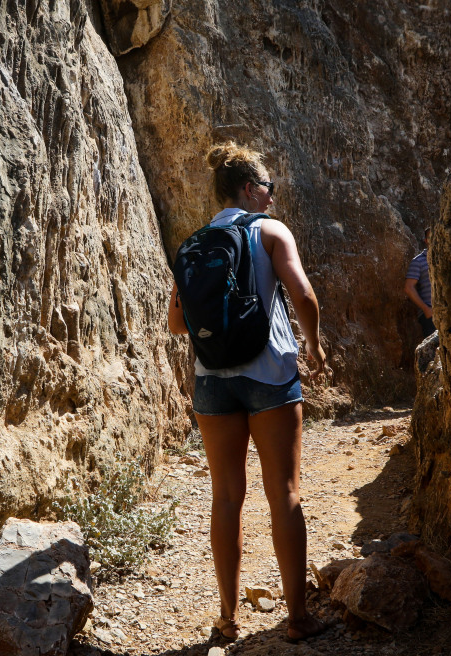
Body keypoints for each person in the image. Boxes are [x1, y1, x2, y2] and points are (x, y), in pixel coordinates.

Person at [166, 142, 330, 643]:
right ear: (247, 189)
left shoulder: (194, 243)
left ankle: (227, 619)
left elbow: (175, 323)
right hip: (270, 374)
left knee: (225, 497)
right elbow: (302, 293)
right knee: (283, 493)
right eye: (267, 187)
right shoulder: (270, 232)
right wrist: (316, 348)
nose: (272, 198)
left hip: (212, 381)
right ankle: (298, 619)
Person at [404, 228, 435, 338]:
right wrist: (426, 309)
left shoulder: (448, 259)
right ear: (426, 240)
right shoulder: (418, 261)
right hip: (431, 315)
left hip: (449, 314)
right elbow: (409, 287)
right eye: (431, 237)